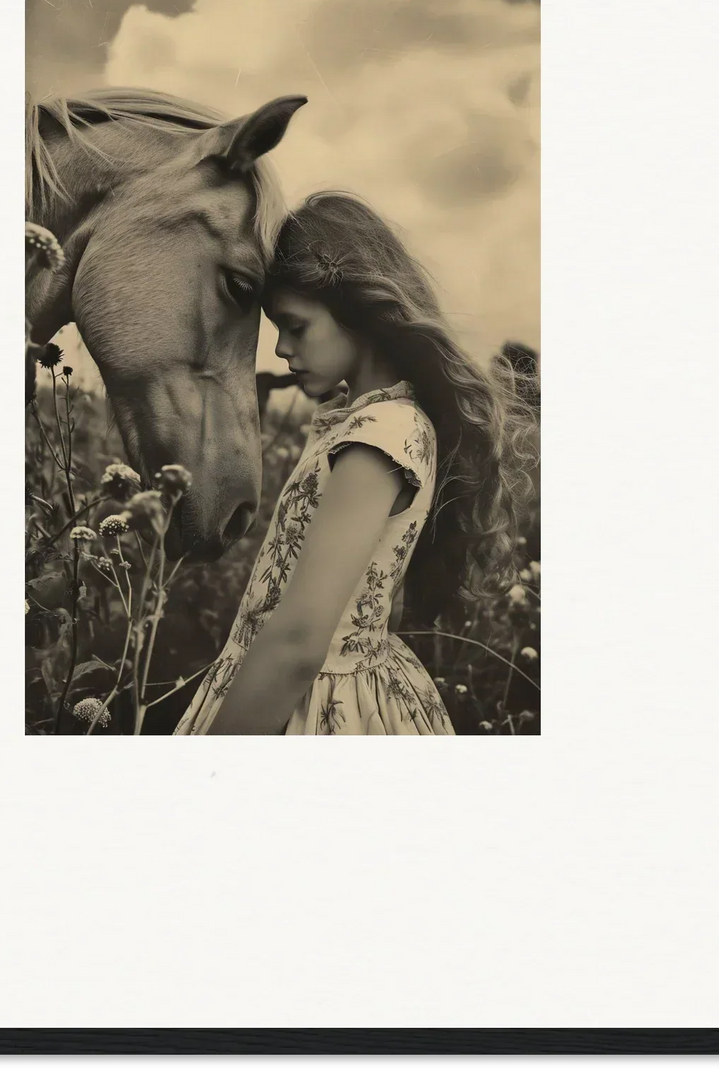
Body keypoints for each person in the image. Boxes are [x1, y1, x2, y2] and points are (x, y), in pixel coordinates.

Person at [173, 191, 535, 736]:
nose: (281, 350)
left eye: (296, 326)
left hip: (313, 702)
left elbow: (297, 643)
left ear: (360, 314)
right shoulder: (373, 423)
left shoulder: (382, 434)